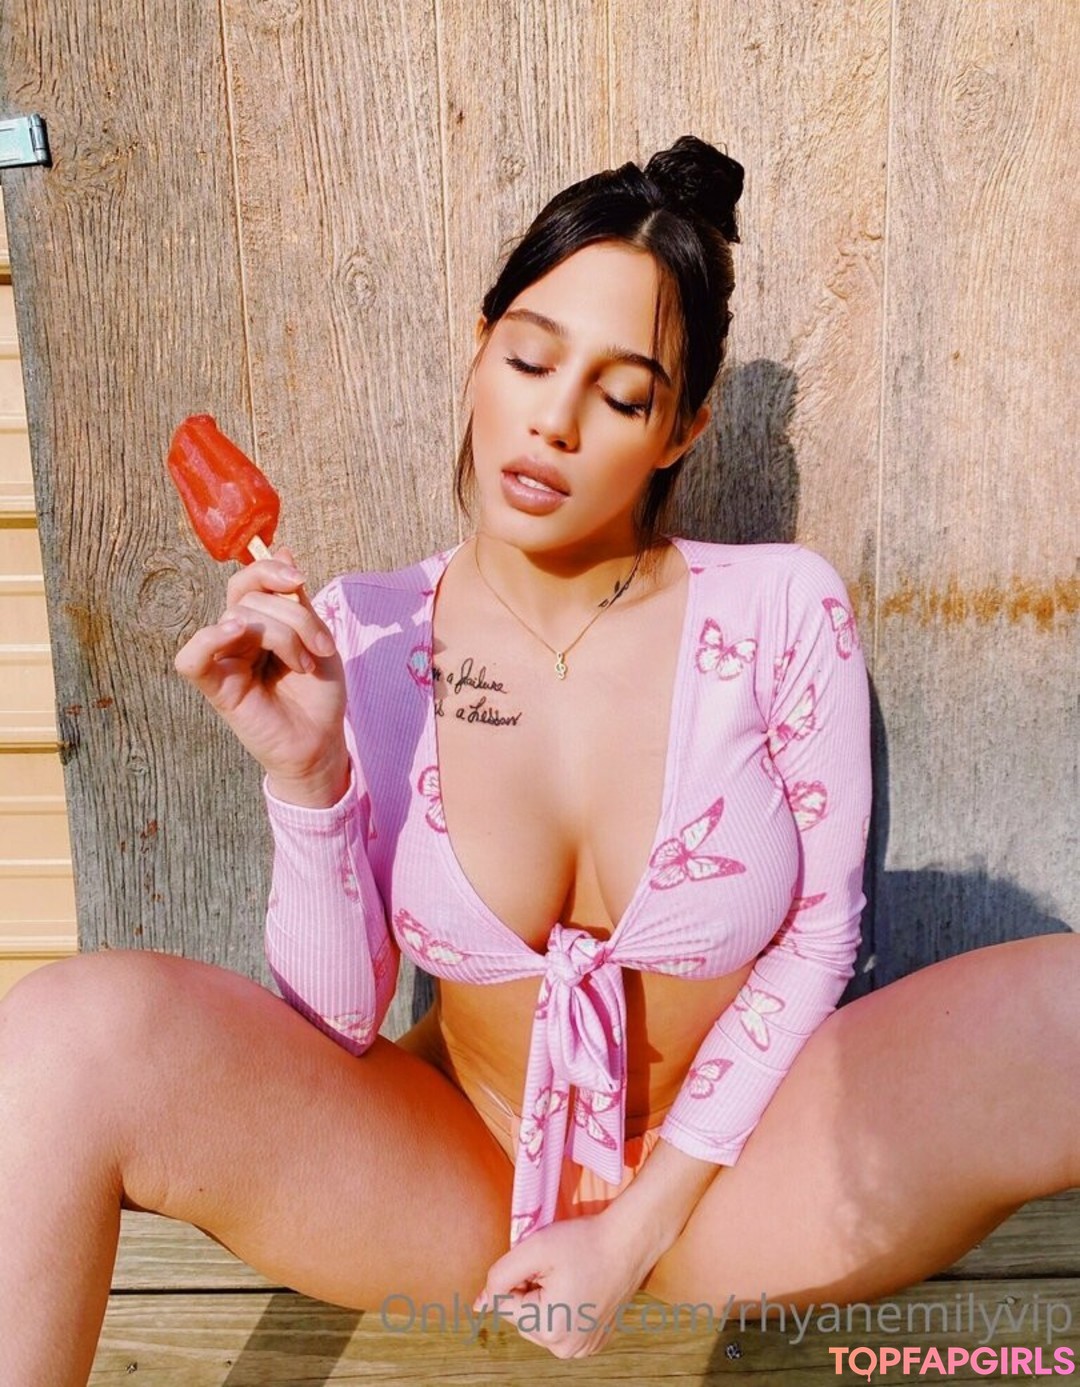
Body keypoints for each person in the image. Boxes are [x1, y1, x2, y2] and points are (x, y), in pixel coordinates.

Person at [0, 137, 1076, 1379]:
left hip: (736, 1168)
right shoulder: (368, 635)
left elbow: (822, 939)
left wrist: (631, 1230)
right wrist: (308, 780)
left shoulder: (780, 609)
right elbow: (336, 1022)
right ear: (479, 348)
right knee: (67, 1033)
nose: (554, 421)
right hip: (456, 1169)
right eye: (528, 357)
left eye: (622, 396)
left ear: (681, 429)